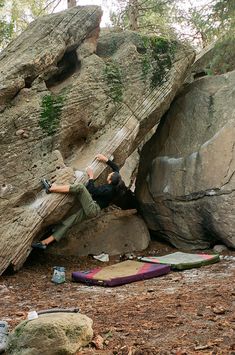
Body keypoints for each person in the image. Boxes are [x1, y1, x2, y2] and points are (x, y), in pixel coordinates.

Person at [32, 154, 126, 249]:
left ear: (110, 181)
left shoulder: (108, 190)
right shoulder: (116, 181)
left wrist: (91, 177)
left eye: (110, 175)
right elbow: (116, 168)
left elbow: (91, 190)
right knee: (70, 222)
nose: (109, 174)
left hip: (92, 208)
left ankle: (51, 188)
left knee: (80, 188)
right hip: (93, 210)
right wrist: (105, 159)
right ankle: (44, 243)